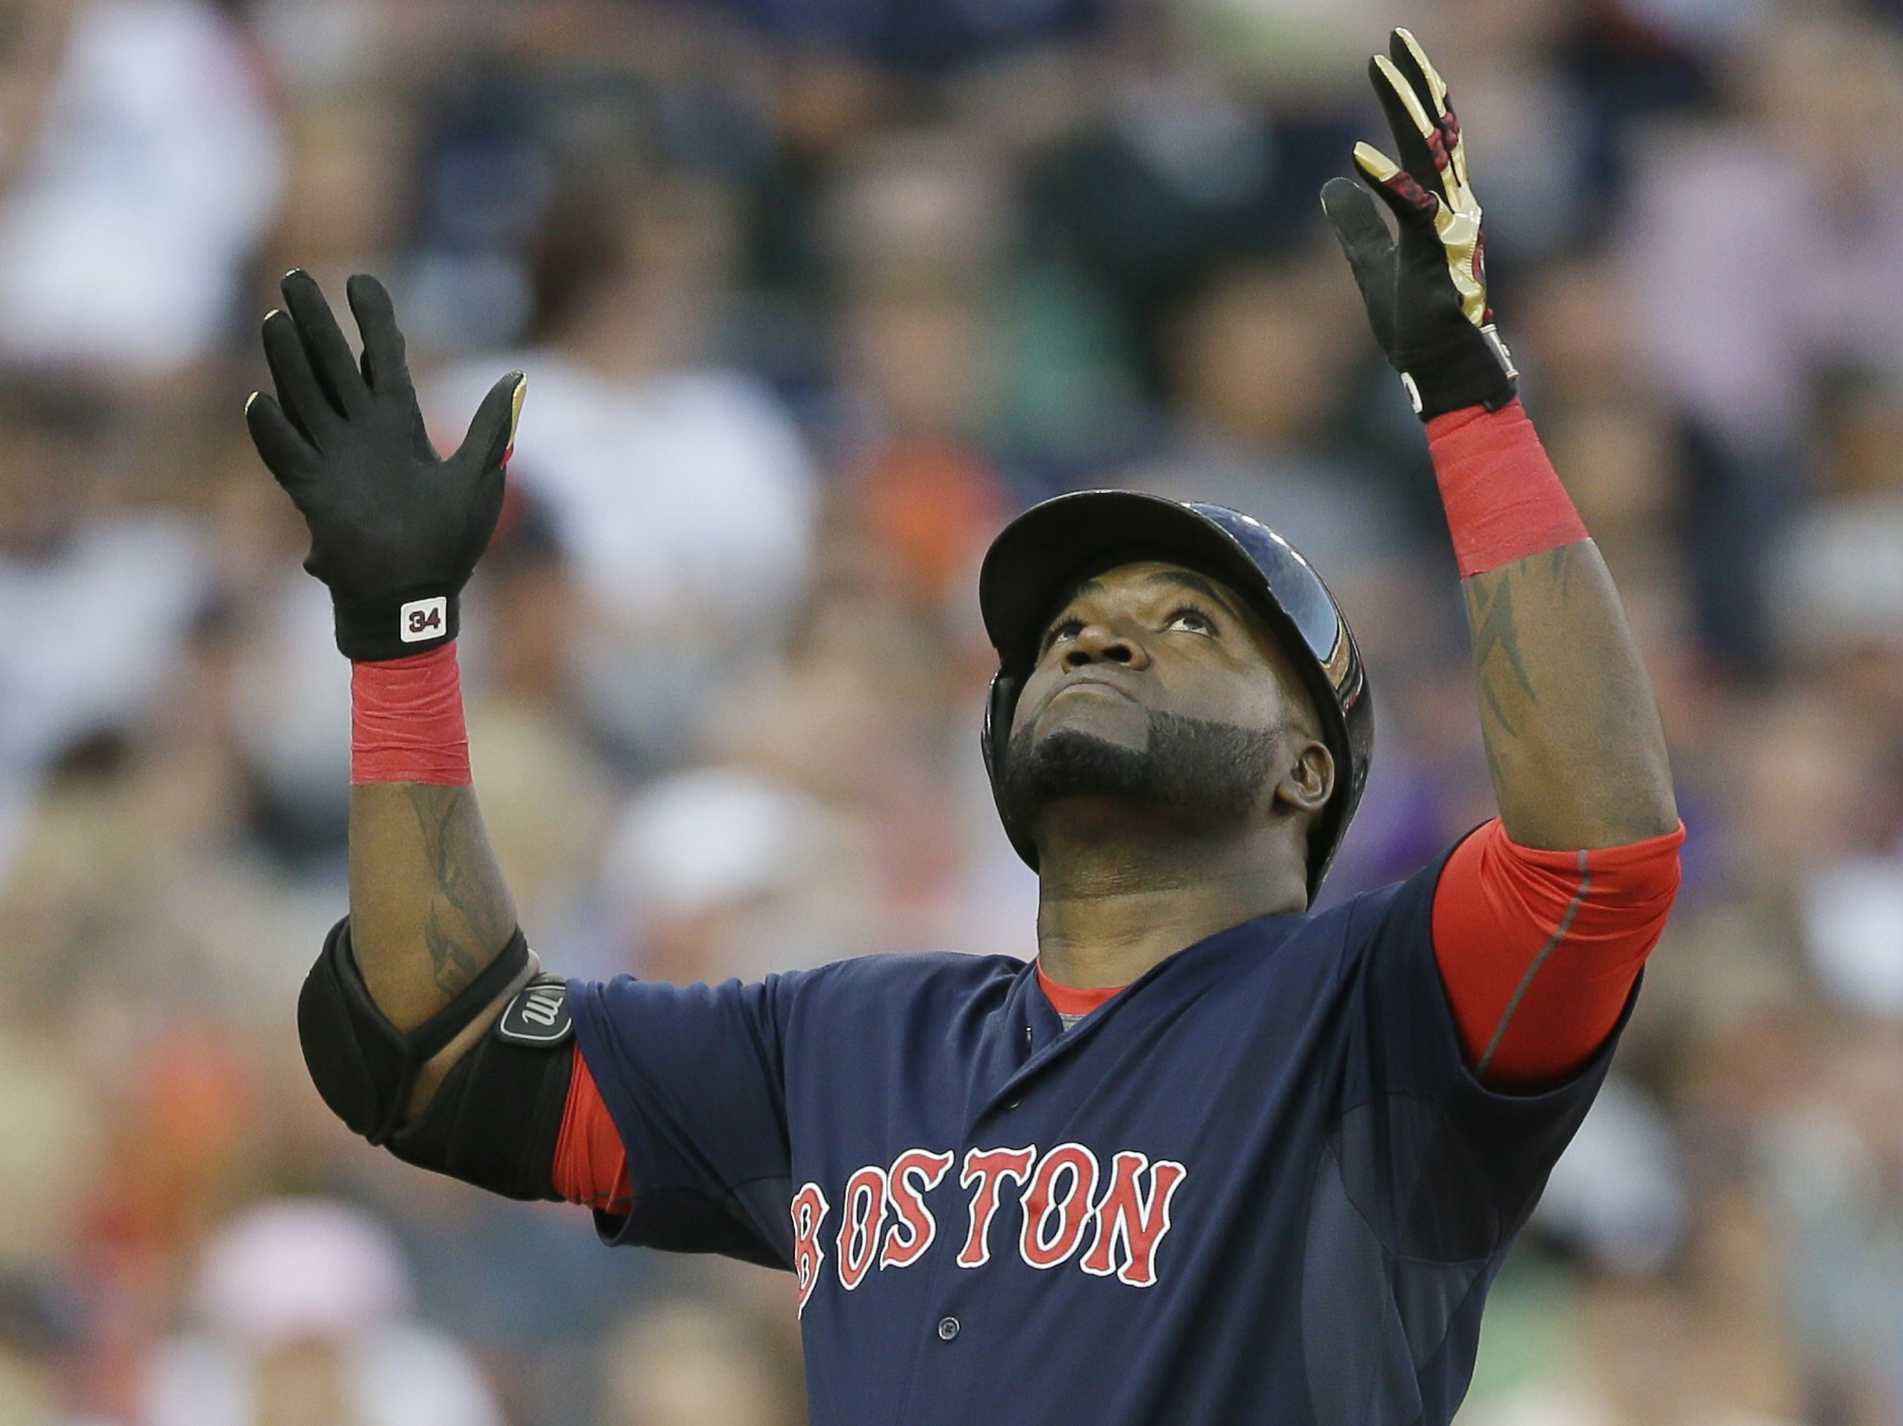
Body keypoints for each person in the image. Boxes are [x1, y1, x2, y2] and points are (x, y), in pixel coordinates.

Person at [245, 30, 1682, 1425]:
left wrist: (1468, 393)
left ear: (1310, 765)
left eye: (1191, 625)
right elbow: (445, 1056)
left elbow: (1600, 855)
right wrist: (403, 633)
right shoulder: (850, 1038)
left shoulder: (1374, 1022)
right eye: (1066, 629)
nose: (1102, 631)